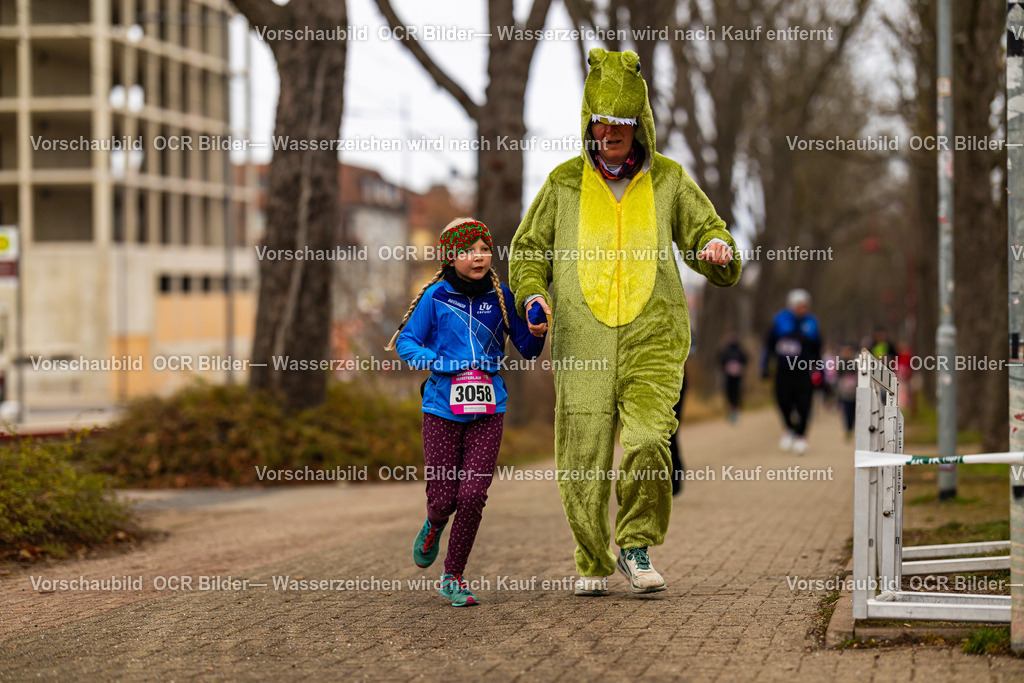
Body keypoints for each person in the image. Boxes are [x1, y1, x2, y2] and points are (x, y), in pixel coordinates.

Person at [509, 49, 741, 597]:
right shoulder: (564, 184)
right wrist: (533, 297)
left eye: (621, 125)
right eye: (602, 124)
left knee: (647, 444)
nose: (610, 134)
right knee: (583, 457)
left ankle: (635, 546)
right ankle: (591, 558)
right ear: (589, 123)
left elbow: (710, 233)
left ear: (640, 128)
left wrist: (716, 250)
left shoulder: (668, 181)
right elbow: (527, 251)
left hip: (653, 339)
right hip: (583, 341)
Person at [387, 218, 546, 607]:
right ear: (451, 256)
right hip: (442, 408)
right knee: (444, 499)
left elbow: (525, 348)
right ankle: (433, 524)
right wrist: (440, 362)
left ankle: (453, 576)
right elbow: (406, 341)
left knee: (473, 495)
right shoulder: (436, 296)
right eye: (467, 250)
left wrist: (537, 332)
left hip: (489, 408)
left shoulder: (500, 294)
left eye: (483, 249)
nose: (477, 257)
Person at [762, 289, 821, 455]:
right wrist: (765, 366)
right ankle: (788, 427)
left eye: (805, 306)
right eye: (799, 306)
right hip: (783, 371)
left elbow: (818, 349)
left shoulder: (812, 322)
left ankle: (801, 436)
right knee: (783, 402)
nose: (802, 309)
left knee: (804, 405)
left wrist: (820, 371)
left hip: (803, 371)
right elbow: (768, 345)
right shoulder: (780, 320)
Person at [717, 334, 748, 423]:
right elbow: (721, 360)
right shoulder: (727, 351)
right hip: (729, 377)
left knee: (736, 393)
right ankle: (732, 411)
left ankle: (736, 411)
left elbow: (745, 359)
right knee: (730, 393)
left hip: (737, 377)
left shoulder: (739, 350)